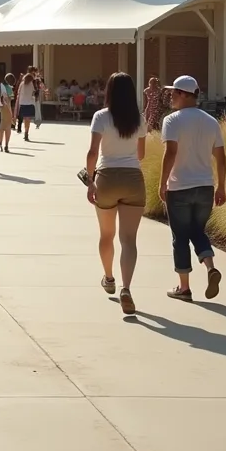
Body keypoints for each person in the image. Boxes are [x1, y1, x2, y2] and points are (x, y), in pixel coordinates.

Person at [159, 75, 226, 302]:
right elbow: (221, 157)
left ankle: (184, 287)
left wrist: (162, 183)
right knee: (198, 231)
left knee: (180, 237)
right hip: (205, 186)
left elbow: (170, 153)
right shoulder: (211, 121)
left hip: (179, 187)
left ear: (183, 94)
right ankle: (210, 267)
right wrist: (221, 187)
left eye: (173, 92)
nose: (170, 96)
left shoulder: (172, 120)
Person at [85, 72, 147, 315]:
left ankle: (109, 278)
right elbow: (141, 155)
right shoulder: (139, 119)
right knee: (129, 239)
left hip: (107, 178)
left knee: (106, 234)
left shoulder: (101, 117)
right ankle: (127, 288)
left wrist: (90, 181)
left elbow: (92, 153)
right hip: (133, 179)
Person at [15, 71, 38, 141]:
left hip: (23, 103)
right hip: (30, 103)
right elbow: (33, 93)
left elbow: (18, 92)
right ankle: (26, 132)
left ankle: (25, 132)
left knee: (25, 119)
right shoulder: (31, 84)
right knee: (28, 120)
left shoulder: (22, 84)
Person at [0, 72, 17, 153]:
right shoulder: (9, 88)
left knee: (0, 128)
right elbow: (11, 101)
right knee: (7, 128)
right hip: (8, 109)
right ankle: (6, 144)